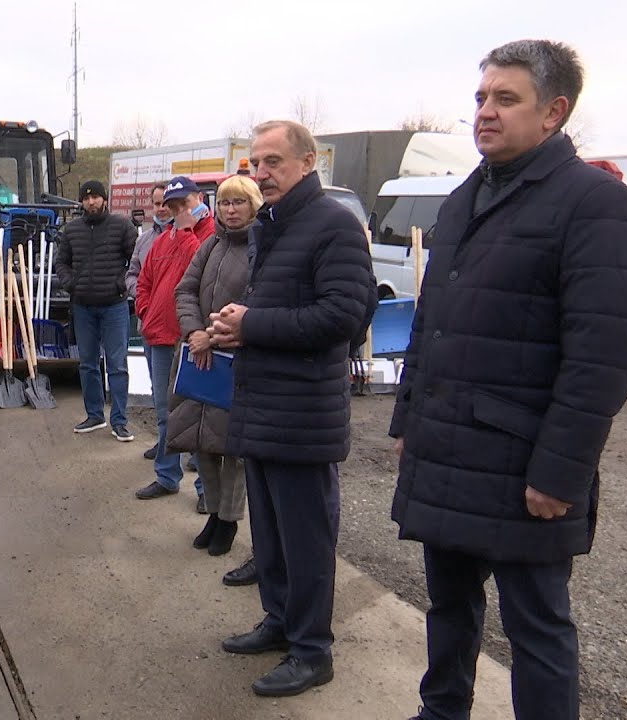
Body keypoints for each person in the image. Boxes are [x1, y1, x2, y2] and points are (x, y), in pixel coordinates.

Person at [391, 41, 627, 720]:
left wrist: (560, 474)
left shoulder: (595, 205)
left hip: (523, 466)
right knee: (447, 606)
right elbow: (431, 324)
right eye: (480, 98)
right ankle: (441, 711)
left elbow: (602, 360)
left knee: (536, 627)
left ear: (554, 112)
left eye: (506, 99)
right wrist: (407, 422)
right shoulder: (462, 200)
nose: (485, 112)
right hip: (446, 451)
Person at [207, 120, 375, 697]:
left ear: (308, 163)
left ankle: (312, 650)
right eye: (256, 162)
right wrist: (236, 326)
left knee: (306, 541)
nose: (261, 172)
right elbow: (276, 307)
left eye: (274, 161)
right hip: (262, 406)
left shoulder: (334, 225)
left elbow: (343, 318)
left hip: (303, 416)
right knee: (272, 536)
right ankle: (279, 623)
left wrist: (252, 324)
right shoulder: (271, 226)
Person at [168, 175, 261, 560]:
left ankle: (230, 519)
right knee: (201, 441)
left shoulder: (261, 249)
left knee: (233, 450)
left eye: (239, 203)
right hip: (199, 356)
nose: (230, 210)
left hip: (237, 360)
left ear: (254, 206)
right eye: (224, 203)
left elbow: (259, 305)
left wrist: (215, 336)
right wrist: (193, 332)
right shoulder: (211, 245)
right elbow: (184, 290)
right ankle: (213, 512)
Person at [134, 176, 213, 504]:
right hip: (158, 336)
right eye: (172, 206)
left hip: (190, 339)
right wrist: (146, 311)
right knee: (166, 412)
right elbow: (144, 280)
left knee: (195, 415)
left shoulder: (207, 237)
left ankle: (207, 490)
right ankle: (167, 476)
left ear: (199, 199)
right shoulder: (162, 240)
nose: (178, 212)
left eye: (184, 204)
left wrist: (184, 232)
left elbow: (194, 272)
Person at [56, 180, 137, 441]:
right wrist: (71, 284)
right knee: (88, 364)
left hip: (114, 306)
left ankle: (120, 421)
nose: (91, 202)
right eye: (86, 198)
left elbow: (134, 260)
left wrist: (121, 282)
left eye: (96, 197)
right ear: (81, 202)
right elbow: (61, 261)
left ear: (104, 199)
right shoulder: (72, 230)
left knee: (116, 365)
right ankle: (94, 415)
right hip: (83, 307)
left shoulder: (122, 226)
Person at [128, 183, 170, 460]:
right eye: (156, 203)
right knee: (158, 390)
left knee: (185, 392)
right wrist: (143, 303)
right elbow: (131, 275)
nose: (161, 208)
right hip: (150, 327)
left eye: (165, 203)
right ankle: (165, 442)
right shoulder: (143, 241)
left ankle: (190, 447)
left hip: (180, 330)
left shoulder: (191, 237)